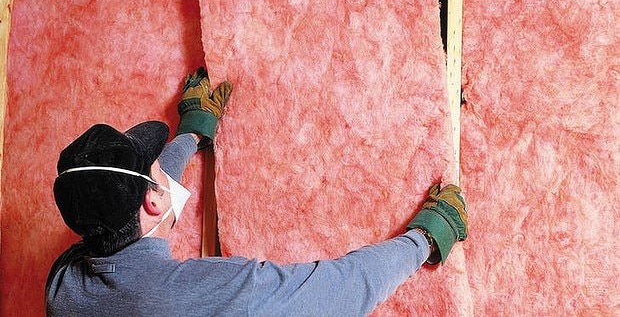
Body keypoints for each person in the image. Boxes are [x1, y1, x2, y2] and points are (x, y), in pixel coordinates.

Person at [46, 67, 468, 317]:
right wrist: (424, 240)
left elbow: (150, 196)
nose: (165, 175)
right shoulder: (206, 296)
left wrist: (191, 135)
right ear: (153, 200)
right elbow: (335, 293)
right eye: (158, 171)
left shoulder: (62, 284)